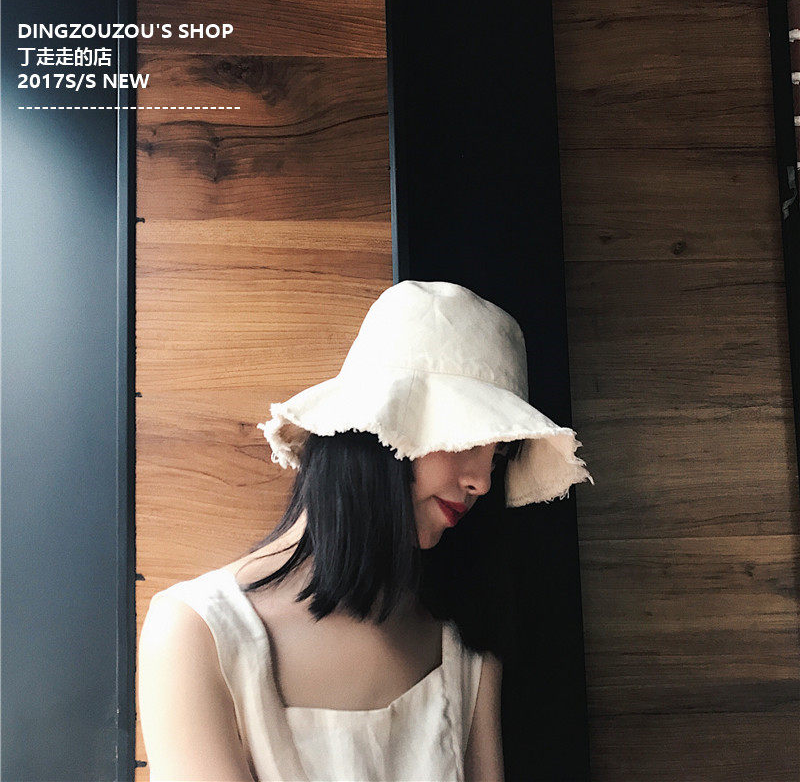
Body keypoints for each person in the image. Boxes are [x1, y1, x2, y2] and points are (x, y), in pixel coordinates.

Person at [138, 280, 593, 782]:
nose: (482, 482)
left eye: (499, 453)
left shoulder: (461, 637)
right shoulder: (197, 632)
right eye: (466, 438)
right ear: (375, 431)